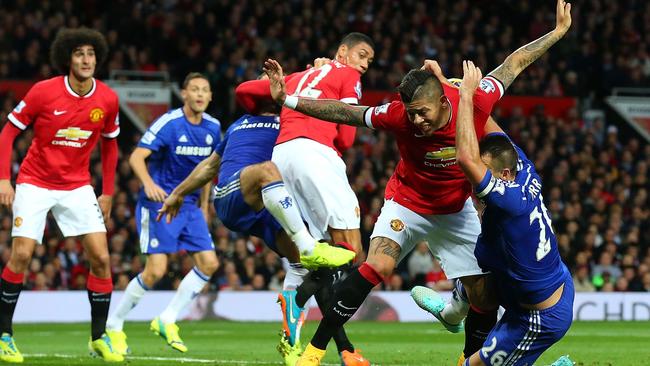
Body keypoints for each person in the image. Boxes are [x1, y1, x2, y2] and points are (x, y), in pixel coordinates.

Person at [262, 2, 572, 364]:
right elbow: (346, 112)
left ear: (443, 101)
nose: (417, 121)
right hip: (407, 201)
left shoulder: (473, 99)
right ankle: (314, 352)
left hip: (456, 209)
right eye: (411, 114)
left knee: (483, 295)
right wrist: (289, 99)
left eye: (422, 112)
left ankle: (468, 358)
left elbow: (514, 64)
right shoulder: (398, 115)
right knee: (376, 265)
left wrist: (557, 32)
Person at [158, 78, 359, 366]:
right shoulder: (239, 124)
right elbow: (209, 167)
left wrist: (322, 72)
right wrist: (177, 193)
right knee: (268, 171)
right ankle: (307, 246)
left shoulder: (292, 119)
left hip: (269, 209)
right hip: (233, 195)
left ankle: (332, 348)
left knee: (313, 269)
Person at [236, 32, 375, 366]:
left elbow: (243, 93)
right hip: (316, 155)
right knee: (352, 253)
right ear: (343, 51)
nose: (365, 64)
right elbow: (348, 132)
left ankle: (323, 341)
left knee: (315, 256)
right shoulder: (347, 75)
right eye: (362, 55)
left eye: (369, 60)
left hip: (281, 158)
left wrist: (275, 91)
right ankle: (298, 300)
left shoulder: (296, 77)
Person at [0, 28, 122, 362]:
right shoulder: (44, 92)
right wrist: (3, 179)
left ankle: (99, 338)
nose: (86, 60)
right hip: (35, 181)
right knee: (22, 254)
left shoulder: (107, 99)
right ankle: (4, 335)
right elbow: (7, 133)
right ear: (67, 58)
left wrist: (107, 192)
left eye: (91, 54)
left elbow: (111, 147)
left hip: (77, 185)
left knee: (100, 257)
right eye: (79, 53)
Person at [441, 60, 574, 366]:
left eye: (484, 173)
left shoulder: (510, 200)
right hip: (536, 287)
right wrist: (465, 93)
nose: (477, 181)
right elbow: (488, 124)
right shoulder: (522, 168)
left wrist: (463, 98)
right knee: (483, 272)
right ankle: (458, 301)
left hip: (537, 317)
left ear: (503, 174)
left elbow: (465, 157)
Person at [105, 73, 222, 355]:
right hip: (159, 205)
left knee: (209, 263)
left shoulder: (214, 127)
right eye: (194, 89)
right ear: (183, 94)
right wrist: (149, 184)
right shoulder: (170, 123)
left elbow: (209, 170)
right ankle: (114, 324)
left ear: (210, 97)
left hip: (190, 205)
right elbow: (136, 157)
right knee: (156, 270)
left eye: (205, 90)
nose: (199, 94)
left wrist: (205, 206)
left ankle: (167, 318)